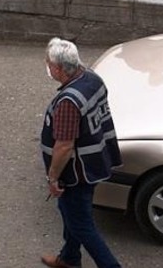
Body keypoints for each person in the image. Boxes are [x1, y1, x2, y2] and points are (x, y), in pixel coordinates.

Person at [41, 37, 123, 268]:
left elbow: (64, 146)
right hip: (94, 162)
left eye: (48, 63)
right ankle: (68, 258)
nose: (47, 67)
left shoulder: (69, 102)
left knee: (82, 226)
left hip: (76, 173)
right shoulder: (92, 78)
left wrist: (53, 177)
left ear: (58, 68)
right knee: (70, 213)